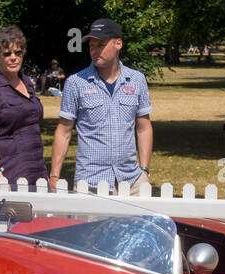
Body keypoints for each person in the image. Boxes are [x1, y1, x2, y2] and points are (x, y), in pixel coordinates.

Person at [50, 17, 153, 193]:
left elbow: (143, 127)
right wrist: (54, 176)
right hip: (89, 184)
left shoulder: (137, 80)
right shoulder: (76, 82)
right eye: (92, 46)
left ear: (118, 44)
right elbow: (64, 131)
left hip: (131, 181)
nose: (95, 50)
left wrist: (144, 170)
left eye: (101, 44)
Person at [0, 26, 49, 187]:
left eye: (18, 52)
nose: (13, 57)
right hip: (10, 176)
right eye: (7, 53)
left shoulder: (27, 82)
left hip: (38, 173)